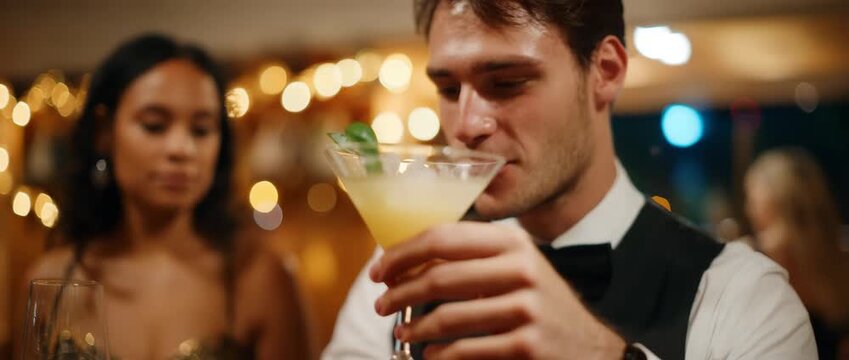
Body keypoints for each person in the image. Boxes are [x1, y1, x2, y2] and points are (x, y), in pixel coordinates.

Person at [323, 1, 816, 359]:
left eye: (507, 82)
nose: (466, 124)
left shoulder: (742, 299)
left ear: (605, 71)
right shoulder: (406, 269)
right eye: (448, 88)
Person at [15, 34, 311, 359]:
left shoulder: (259, 280)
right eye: (155, 126)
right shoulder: (52, 280)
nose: (181, 149)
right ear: (104, 133)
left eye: (201, 130)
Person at [744, 148, 849, 359]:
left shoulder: (752, 256)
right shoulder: (836, 252)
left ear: (771, 197)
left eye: (751, 198)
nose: (748, 208)